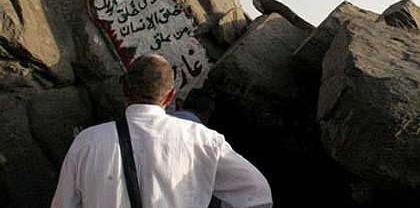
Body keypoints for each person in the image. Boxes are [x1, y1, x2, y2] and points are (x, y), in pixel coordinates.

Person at [51, 53, 273, 208]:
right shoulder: (202, 140)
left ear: (124, 88)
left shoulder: (87, 143)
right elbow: (257, 193)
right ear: (170, 96)